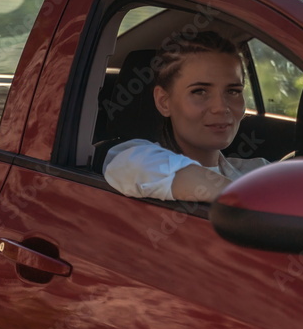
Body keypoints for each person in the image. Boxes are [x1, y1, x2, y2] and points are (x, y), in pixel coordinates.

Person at [103, 31, 269, 201]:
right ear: (163, 101)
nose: (220, 107)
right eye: (200, 91)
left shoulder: (259, 171)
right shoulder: (133, 160)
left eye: (233, 91)